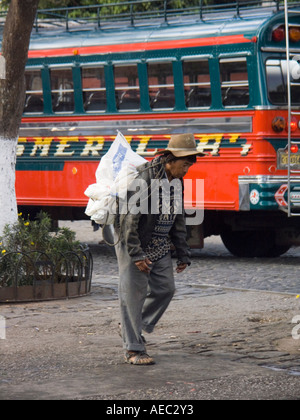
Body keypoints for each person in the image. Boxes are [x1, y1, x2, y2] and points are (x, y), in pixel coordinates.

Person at [114, 133, 205, 365]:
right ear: (169, 160)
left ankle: (131, 327)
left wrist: (183, 252)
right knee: (133, 295)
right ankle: (133, 349)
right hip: (133, 240)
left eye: (189, 166)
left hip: (160, 243)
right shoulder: (144, 180)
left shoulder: (177, 181)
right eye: (184, 165)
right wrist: (135, 254)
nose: (187, 170)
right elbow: (129, 220)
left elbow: (178, 218)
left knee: (165, 288)